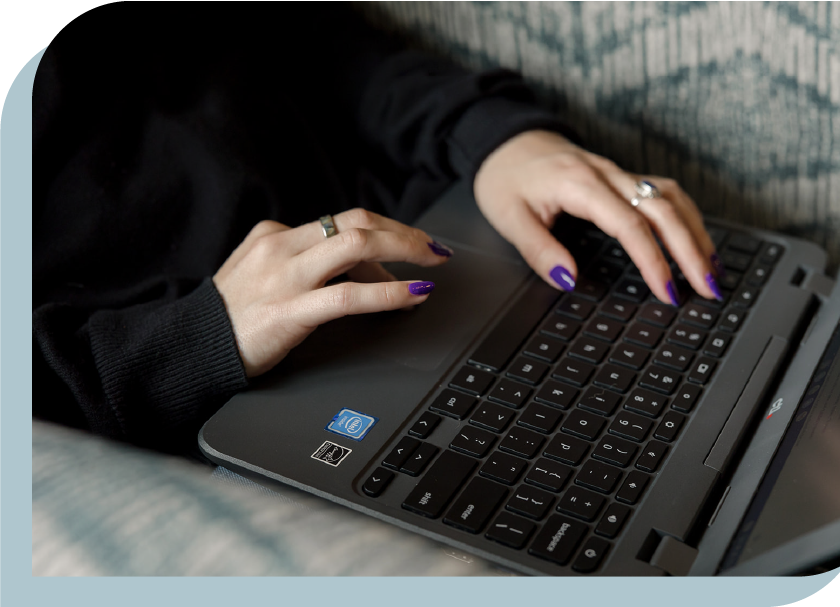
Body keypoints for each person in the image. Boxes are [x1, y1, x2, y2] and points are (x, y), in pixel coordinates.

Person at [32, 4, 723, 456]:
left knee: (725, 373)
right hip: (225, 416)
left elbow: (317, 46)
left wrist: (494, 138)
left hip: (441, 244)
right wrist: (194, 342)